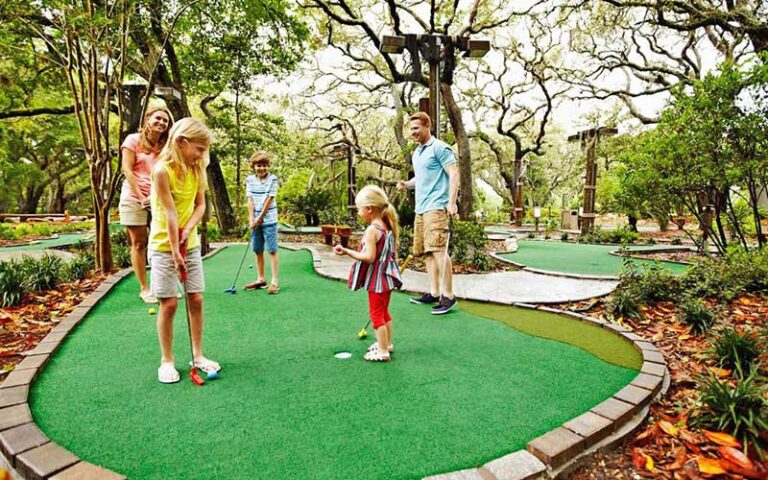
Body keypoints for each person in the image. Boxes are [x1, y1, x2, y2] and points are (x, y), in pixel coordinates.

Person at [149, 117, 220, 384]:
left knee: (196, 299)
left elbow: (200, 206)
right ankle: (167, 360)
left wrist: (188, 231)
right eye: (199, 149)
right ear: (181, 142)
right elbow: (168, 213)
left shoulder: (197, 168)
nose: (202, 155)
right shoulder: (162, 171)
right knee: (168, 303)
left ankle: (197, 355)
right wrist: (175, 252)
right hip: (163, 245)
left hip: (188, 243)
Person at [396, 112, 460, 315]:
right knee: (426, 253)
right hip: (421, 208)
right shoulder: (417, 153)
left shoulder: (440, 148)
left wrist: (451, 202)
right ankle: (433, 292)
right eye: (411, 129)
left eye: (416, 128)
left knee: (439, 250)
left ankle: (448, 295)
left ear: (427, 126)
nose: (412, 132)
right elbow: (420, 177)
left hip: (436, 207)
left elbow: (454, 173)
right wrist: (406, 184)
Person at [334, 185, 402, 362]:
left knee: (376, 315)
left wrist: (348, 251)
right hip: (386, 279)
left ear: (370, 209)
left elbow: (369, 257)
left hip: (377, 281)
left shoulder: (372, 230)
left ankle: (383, 351)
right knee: (384, 312)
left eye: (359, 209)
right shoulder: (387, 226)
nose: (358, 212)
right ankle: (387, 343)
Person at [119, 108, 173, 304]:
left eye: (165, 121)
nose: (161, 123)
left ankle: (165, 285)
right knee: (139, 243)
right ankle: (145, 288)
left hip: (159, 197)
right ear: (148, 119)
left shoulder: (167, 145)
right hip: (134, 196)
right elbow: (127, 169)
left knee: (166, 240)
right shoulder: (133, 140)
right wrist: (142, 196)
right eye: (158, 118)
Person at [243, 152, 280, 294]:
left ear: (268, 166)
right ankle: (260, 279)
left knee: (272, 249)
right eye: (259, 165)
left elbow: (270, 199)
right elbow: (250, 200)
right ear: (253, 166)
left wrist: (259, 219)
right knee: (257, 249)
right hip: (255, 221)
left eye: (264, 165)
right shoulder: (250, 180)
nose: (262, 168)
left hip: (269, 219)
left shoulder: (273, 179)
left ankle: (274, 281)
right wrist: (251, 219)